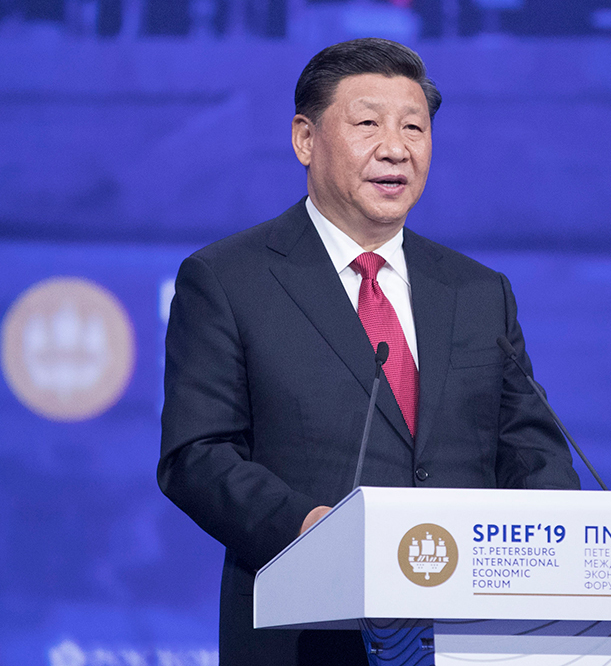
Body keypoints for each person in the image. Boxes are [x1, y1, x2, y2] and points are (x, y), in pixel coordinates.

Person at [158, 37, 580, 666]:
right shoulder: (228, 280)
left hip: (473, 635)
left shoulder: (477, 291)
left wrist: (557, 544)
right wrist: (307, 529)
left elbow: (532, 449)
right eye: (368, 125)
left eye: (414, 127)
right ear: (305, 139)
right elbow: (197, 454)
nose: (396, 148)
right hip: (307, 632)